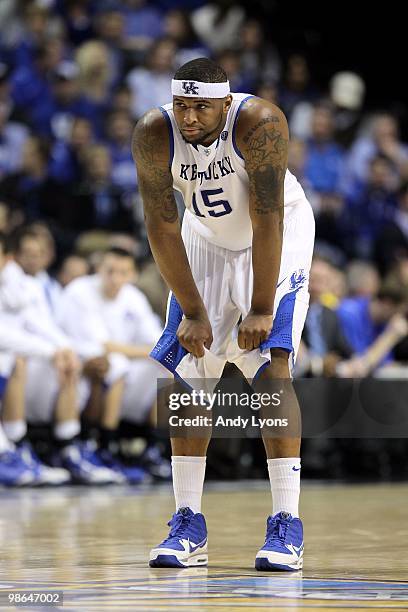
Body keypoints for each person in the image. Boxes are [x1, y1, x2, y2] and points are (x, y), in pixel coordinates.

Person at [132, 58, 315, 570]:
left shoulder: (260, 123)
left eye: (201, 107)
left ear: (225, 104)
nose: (189, 117)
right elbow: (162, 228)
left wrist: (260, 308)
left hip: (276, 235)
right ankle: (187, 521)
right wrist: (193, 311)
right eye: (182, 106)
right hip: (205, 239)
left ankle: (287, 524)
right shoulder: (154, 133)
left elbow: (268, 217)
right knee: (192, 373)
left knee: (271, 368)